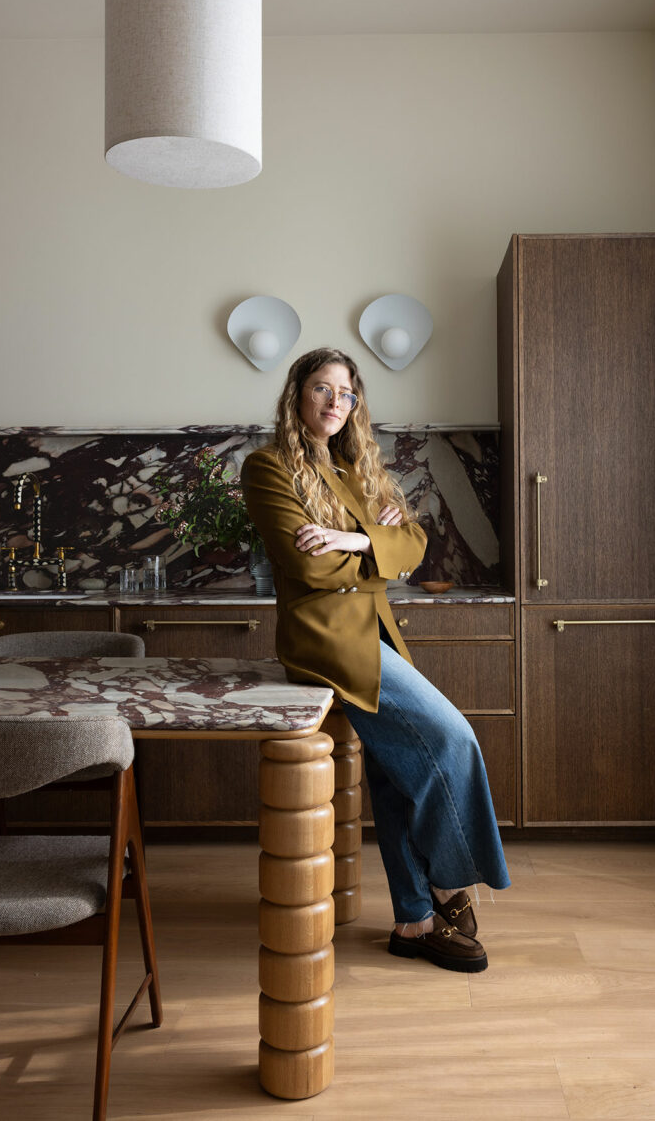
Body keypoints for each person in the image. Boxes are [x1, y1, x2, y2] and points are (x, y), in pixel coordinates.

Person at [241, 347, 510, 973]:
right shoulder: (268, 467)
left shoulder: (352, 467)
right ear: (297, 394)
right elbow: (307, 567)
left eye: (347, 393)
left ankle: (414, 923)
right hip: (327, 642)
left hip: (378, 633)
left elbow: (414, 541)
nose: (336, 402)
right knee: (452, 738)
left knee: (396, 775)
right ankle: (449, 886)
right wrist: (376, 551)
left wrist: (357, 538)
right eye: (322, 389)